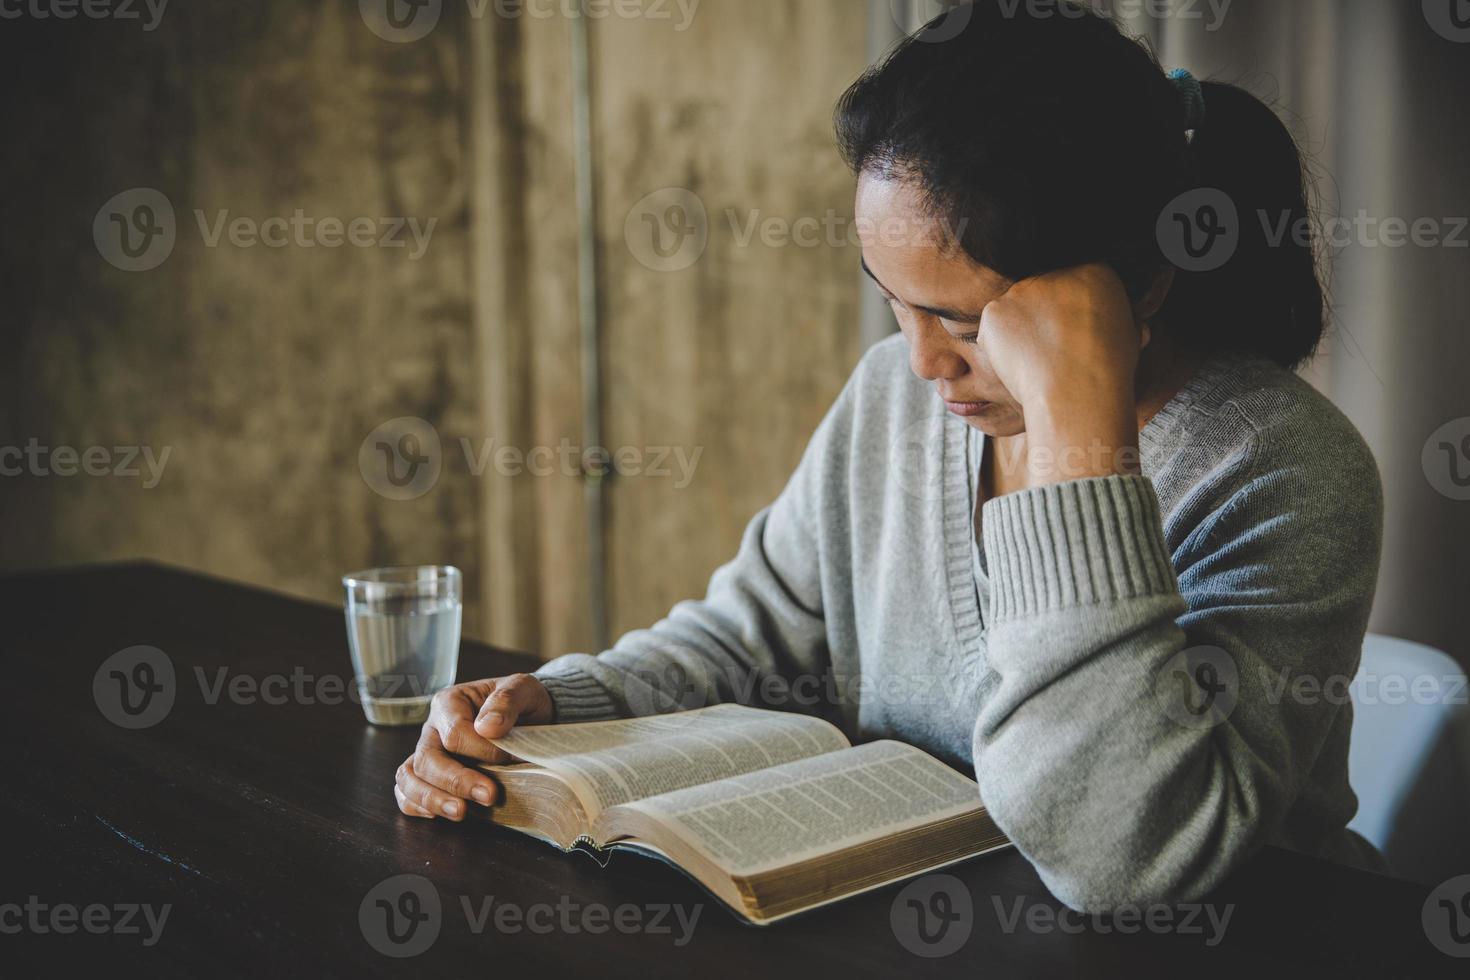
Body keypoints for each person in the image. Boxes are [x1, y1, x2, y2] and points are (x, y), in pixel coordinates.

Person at [393, 1, 1385, 912]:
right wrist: (550, 704)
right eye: (894, 297)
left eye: (960, 317)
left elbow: (1121, 857)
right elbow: (747, 642)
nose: (919, 362)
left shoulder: (1284, 470)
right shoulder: (892, 399)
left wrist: (1079, 440)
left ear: (1141, 286)